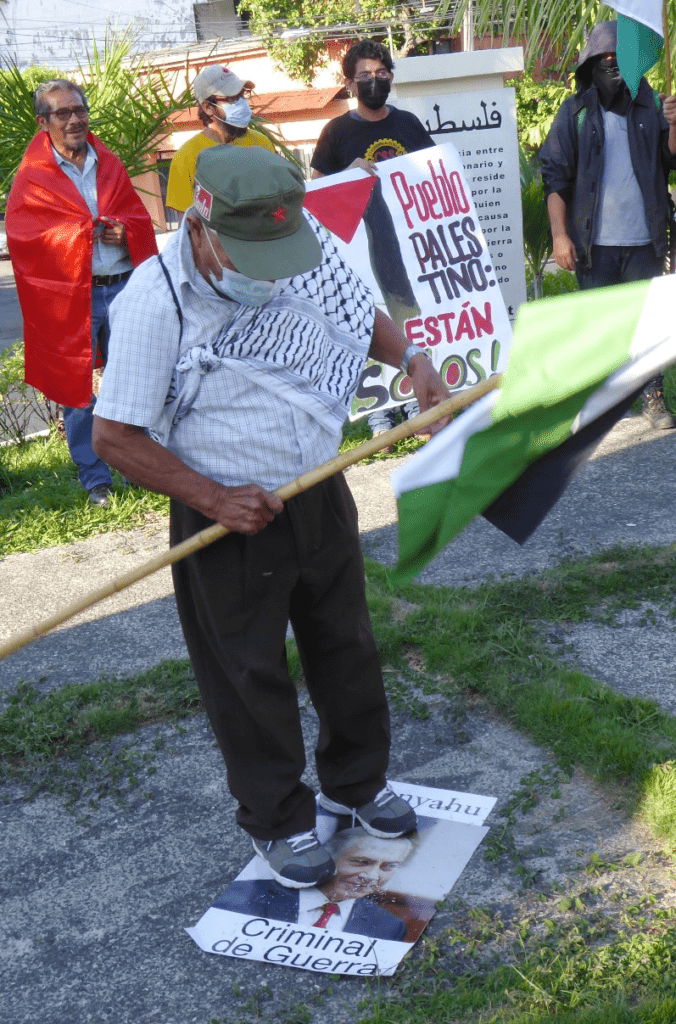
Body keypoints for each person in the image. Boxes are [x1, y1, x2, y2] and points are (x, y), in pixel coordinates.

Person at [92, 147, 449, 888]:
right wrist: (213, 498)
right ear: (201, 226)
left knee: (345, 642)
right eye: (252, 255)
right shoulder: (155, 302)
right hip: (225, 512)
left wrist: (411, 357)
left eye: (280, 252)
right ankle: (279, 818)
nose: (273, 273)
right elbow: (114, 436)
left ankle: (356, 781)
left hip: (316, 485)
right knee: (247, 670)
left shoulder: (298, 248)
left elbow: (353, 314)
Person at [5, 79, 157, 506]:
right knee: (75, 391)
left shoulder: (108, 162)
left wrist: (125, 232)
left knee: (134, 382)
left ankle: (143, 470)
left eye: (79, 110)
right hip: (72, 298)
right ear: (43, 122)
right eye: (63, 113)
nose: (74, 119)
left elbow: (138, 219)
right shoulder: (32, 176)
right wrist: (77, 234)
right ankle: (96, 481)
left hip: (123, 287)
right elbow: (23, 236)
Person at [540, 20, 676, 430]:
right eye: (604, 59)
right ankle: (601, 404)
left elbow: (671, 160)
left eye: (619, 59)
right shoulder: (576, 112)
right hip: (592, 244)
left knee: (647, 327)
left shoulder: (652, 106)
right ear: (590, 65)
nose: (612, 66)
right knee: (599, 327)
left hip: (644, 241)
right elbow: (555, 178)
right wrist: (560, 235)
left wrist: (675, 123)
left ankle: (652, 398)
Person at [311, 39, 436, 446]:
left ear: (391, 77)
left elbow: (434, 174)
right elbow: (316, 194)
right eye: (364, 75)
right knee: (367, 324)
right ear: (349, 83)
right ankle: (381, 413)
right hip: (361, 253)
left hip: (410, 251)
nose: (373, 81)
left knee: (409, 322)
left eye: (381, 73)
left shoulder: (409, 125)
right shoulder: (336, 132)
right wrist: (345, 176)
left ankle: (416, 403)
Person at [213, 828, 415, 940]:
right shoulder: (242, 896)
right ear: (327, 856)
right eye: (361, 862)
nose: (371, 876)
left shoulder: (389, 927)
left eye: (388, 867)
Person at [166, 64, 275, 218]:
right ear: (207, 107)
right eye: (231, 99)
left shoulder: (261, 144)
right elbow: (188, 224)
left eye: (241, 96)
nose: (242, 104)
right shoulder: (185, 158)